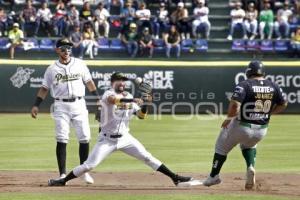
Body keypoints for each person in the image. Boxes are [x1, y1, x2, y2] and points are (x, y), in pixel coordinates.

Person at [48, 72, 195, 187]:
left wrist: (146, 104)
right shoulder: (108, 94)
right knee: (89, 165)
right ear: (113, 82)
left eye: (124, 80)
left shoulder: (129, 95)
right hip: (106, 139)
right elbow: (114, 100)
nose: (122, 83)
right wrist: (133, 100)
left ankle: (175, 178)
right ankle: (63, 180)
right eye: (119, 80)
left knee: (147, 157)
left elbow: (141, 116)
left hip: (125, 138)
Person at [201, 61, 288, 190]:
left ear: (248, 72)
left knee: (221, 147)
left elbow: (236, 105)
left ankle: (214, 176)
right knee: (249, 144)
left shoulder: (244, 84)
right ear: (263, 72)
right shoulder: (274, 86)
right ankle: (250, 166)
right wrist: (270, 113)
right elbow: (284, 103)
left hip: (242, 126)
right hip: (261, 130)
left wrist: (228, 119)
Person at [31, 38, 98, 185]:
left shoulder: (80, 64)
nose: (66, 51)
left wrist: (97, 98)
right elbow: (44, 88)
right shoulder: (52, 69)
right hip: (61, 105)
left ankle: (83, 172)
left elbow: (89, 82)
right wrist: (36, 105)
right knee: (62, 138)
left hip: (79, 104)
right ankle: (62, 174)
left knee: (85, 137)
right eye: (63, 48)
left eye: (68, 48)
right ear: (57, 50)